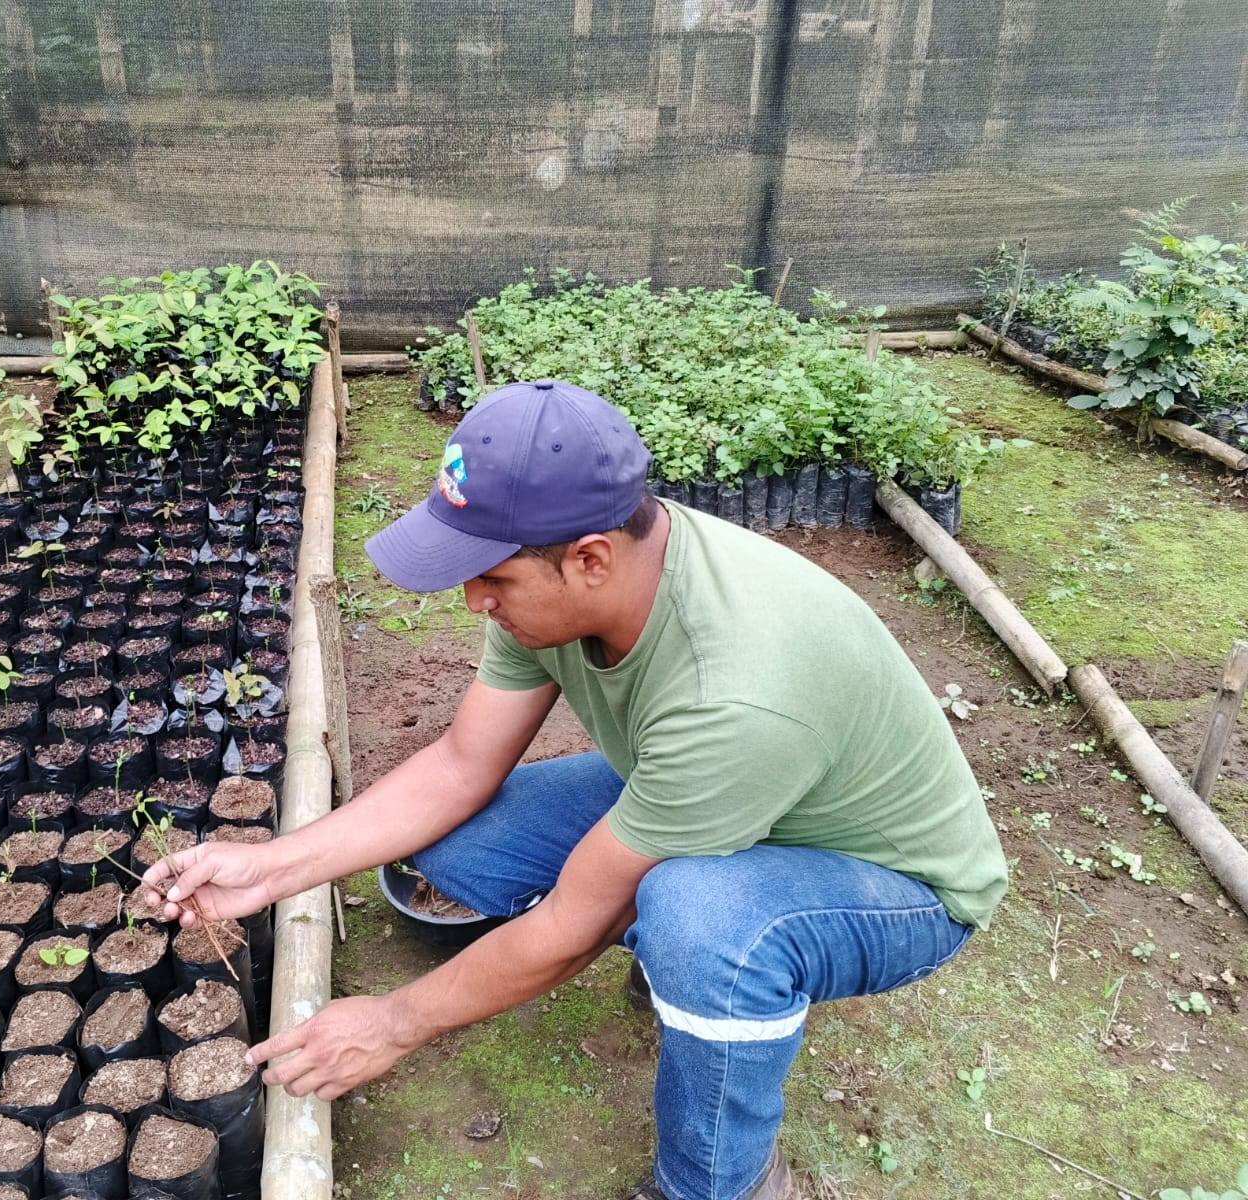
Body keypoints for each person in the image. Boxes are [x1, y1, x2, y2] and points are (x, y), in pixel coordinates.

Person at [142, 380, 1008, 1200]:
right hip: (732, 797)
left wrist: (393, 1023)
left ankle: (725, 1177)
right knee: (461, 848)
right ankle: (680, 950)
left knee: (699, 921)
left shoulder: (735, 693)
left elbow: (571, 923)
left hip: (888, 880)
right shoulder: (568, 578)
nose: (472, 599)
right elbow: (460, 765)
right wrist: (270, 868)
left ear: (590, 559)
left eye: (492, 576)